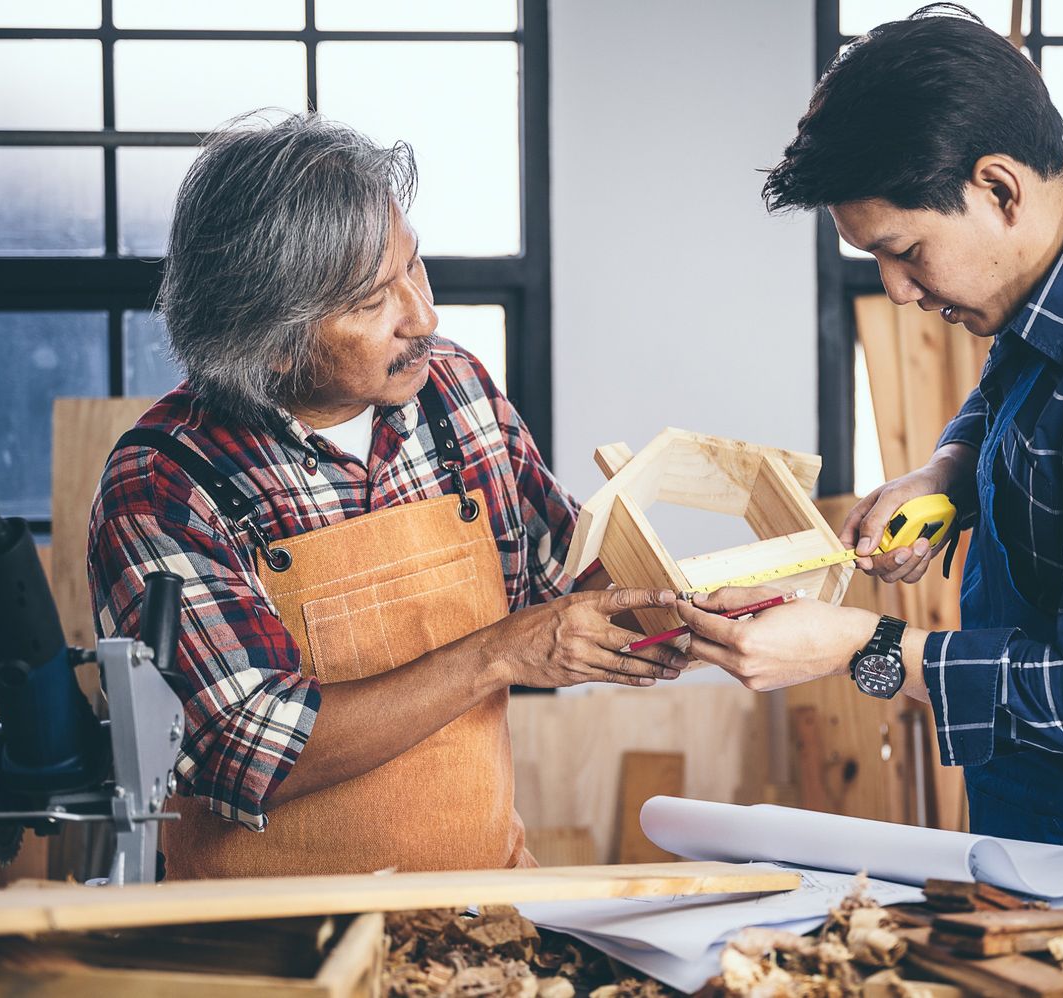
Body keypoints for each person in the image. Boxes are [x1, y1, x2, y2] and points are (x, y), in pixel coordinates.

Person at [674, 4, 1063, 864]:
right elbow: (1027, 378)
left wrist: (856, 648)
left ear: (999, 188)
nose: (898, 291)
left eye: (906, 250)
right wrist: (951, 471)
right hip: (1041, 811)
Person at [88, 113, 688, 879]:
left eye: (416, 268)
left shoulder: (454, 390)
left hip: (479, 907)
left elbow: (561, 575)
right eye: (374, 303)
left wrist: (687, 608)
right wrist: (498, 655)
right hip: (270, 948)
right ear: (271, 343)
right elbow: (250, 749)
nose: (425, 317)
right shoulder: (164, 486)